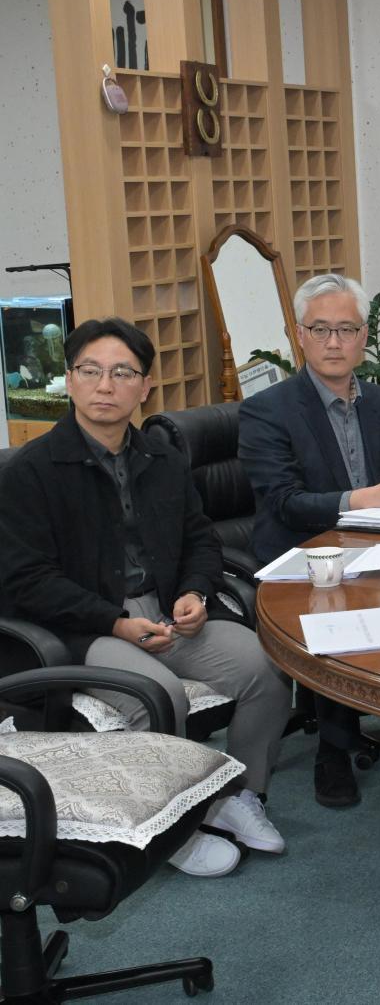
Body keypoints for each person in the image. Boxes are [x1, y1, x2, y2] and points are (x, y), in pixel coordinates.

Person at [0, 318, 291, 877]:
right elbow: (28, 580)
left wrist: (195, 591)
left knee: (267, 665)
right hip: (84, 628)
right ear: (69, 379)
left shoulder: (162, 458)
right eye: (90, 371)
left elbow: (201, 539)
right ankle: (174, 828)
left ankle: (238, 797)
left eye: (121, 373)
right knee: (158, 695)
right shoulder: (31, 472)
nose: (104, 385)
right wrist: (114, 622)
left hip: (166, 614)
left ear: (144, 387)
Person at [238, 274, 380, 808]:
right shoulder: (268, 409)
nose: (335, 342)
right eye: (322, 329)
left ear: (365, 337)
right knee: (336, 607)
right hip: (306, 551)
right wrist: (360, 499)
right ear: (300, 335)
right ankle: (333, 751)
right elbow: (283, 500)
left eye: (347, 329)